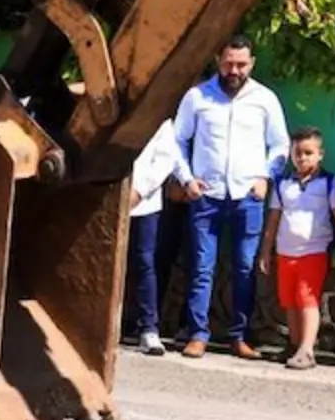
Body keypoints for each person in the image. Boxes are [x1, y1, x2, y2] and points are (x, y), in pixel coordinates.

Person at [170, 34, 290, 359]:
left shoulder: (265, 99)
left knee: (244, 267)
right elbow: (177, 140)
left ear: (251, 64)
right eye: (228, 63)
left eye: (240, 64)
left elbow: (280, 144)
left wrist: (266, 176)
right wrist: (186, 178)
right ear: (217, 61)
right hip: (205, 196)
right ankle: (198, 334)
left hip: (247, 197)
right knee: (201, 268)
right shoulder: (197, 97)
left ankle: (240, 336)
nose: (234, 70)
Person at [258, 127, 335, 370]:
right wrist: (266, 250)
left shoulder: (329, 183)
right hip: (286, 251)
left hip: (314, 250)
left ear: (321, 155)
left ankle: (307, 350)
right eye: (298, 153)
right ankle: (295, 344)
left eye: (309, 153)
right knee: (290, 301)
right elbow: (274, 219)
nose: (303, 158)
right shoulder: (283, 184)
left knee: (307, 300)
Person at [124, 120, 180, 356]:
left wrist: (139, 190)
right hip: (108, 197)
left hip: (144, 202)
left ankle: (148, 328)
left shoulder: (158, 115)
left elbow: (166, 158)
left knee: (144, 261)